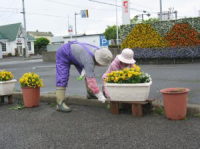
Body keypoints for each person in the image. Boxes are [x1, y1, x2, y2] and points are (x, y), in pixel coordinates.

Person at [56, 41, 113, 112]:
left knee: (88, 73)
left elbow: (89, 73)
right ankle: (59, 103)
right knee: (62, 77)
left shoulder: (100, 52)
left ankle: (90, 93)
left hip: (77, 54)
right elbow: (91, 80)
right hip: (63, 53)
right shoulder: (88, 60)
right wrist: (100, 95)